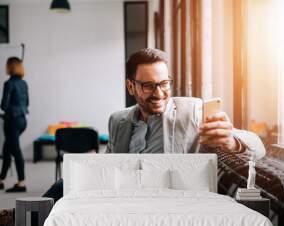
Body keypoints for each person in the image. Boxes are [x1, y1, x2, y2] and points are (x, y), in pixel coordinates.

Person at [42, 48, 265, 201]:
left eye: (164, 83)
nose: (159, 93)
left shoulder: (192, 111)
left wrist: (230, 141)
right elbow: (109, 161)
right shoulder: (118, 120)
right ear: (131, 87)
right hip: (123, 193)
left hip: (167, 195)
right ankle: (20, 219)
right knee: (65, 184)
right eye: (148, 86)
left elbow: (258, 147)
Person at [0, 57, 29, 193]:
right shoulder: (24, 83)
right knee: (7, 149)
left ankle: (21, 183)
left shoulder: (9, 83)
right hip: (22, 120)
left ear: (10, 67)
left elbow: (3, 105)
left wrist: (9, 109)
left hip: (12, 121)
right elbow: (26, 103)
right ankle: (0, 180)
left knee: (15, 151)